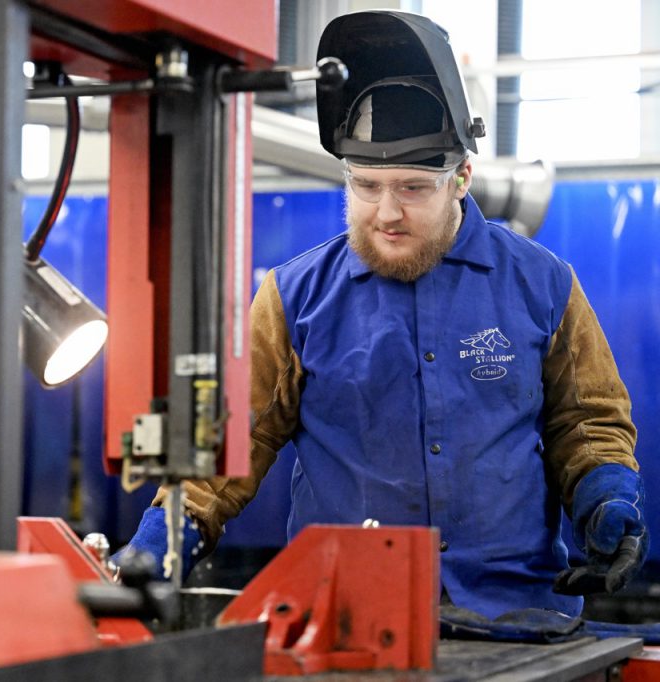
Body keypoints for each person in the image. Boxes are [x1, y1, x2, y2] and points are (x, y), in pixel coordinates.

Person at [117, 9, 648, 620]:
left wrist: (607, 497)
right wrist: (163, 538)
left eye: (412, 188)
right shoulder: (295, 297)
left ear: (462, 179)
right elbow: (230, 449)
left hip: (515, 617)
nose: (386, 212)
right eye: (366, 185)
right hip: (345, 617)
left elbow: (587, 422)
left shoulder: (543, 284)